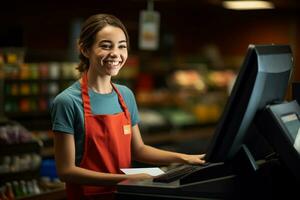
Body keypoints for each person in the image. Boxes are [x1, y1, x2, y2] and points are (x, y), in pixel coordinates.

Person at [51, 13, 205, 200]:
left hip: (125, 195)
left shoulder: (125, 95)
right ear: (84, 49)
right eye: (106, 46)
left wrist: (185, 158)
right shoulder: (67, 102)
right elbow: (66, 172)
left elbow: (138, 149)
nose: (116, 54)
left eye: (122, 46)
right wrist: (129, 178)